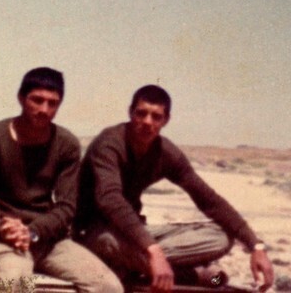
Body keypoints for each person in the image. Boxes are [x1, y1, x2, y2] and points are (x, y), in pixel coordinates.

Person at [76, 84, 275, 293]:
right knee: (107, 240)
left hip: (135, 235)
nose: (147, 122)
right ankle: (195, 275)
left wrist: (256, 246)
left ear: (166, 120)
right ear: (130, 113)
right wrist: (153, 250)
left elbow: (208, 199)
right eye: (141, 113)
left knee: (222, 237)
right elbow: (110, 199)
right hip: (94, 232)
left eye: (156, 116)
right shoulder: (109, 144)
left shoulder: (165, 152)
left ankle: (138, 267)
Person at [0, 67, 123, 293]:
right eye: (37, 100)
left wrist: (33, 232)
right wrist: (1, 227)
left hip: (48, 239)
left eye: (52, 103)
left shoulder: (66, 144)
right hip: (2, 238)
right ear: (21, 98)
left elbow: (67, 206)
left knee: (109, 286)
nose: (44, 109)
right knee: (12, 283)